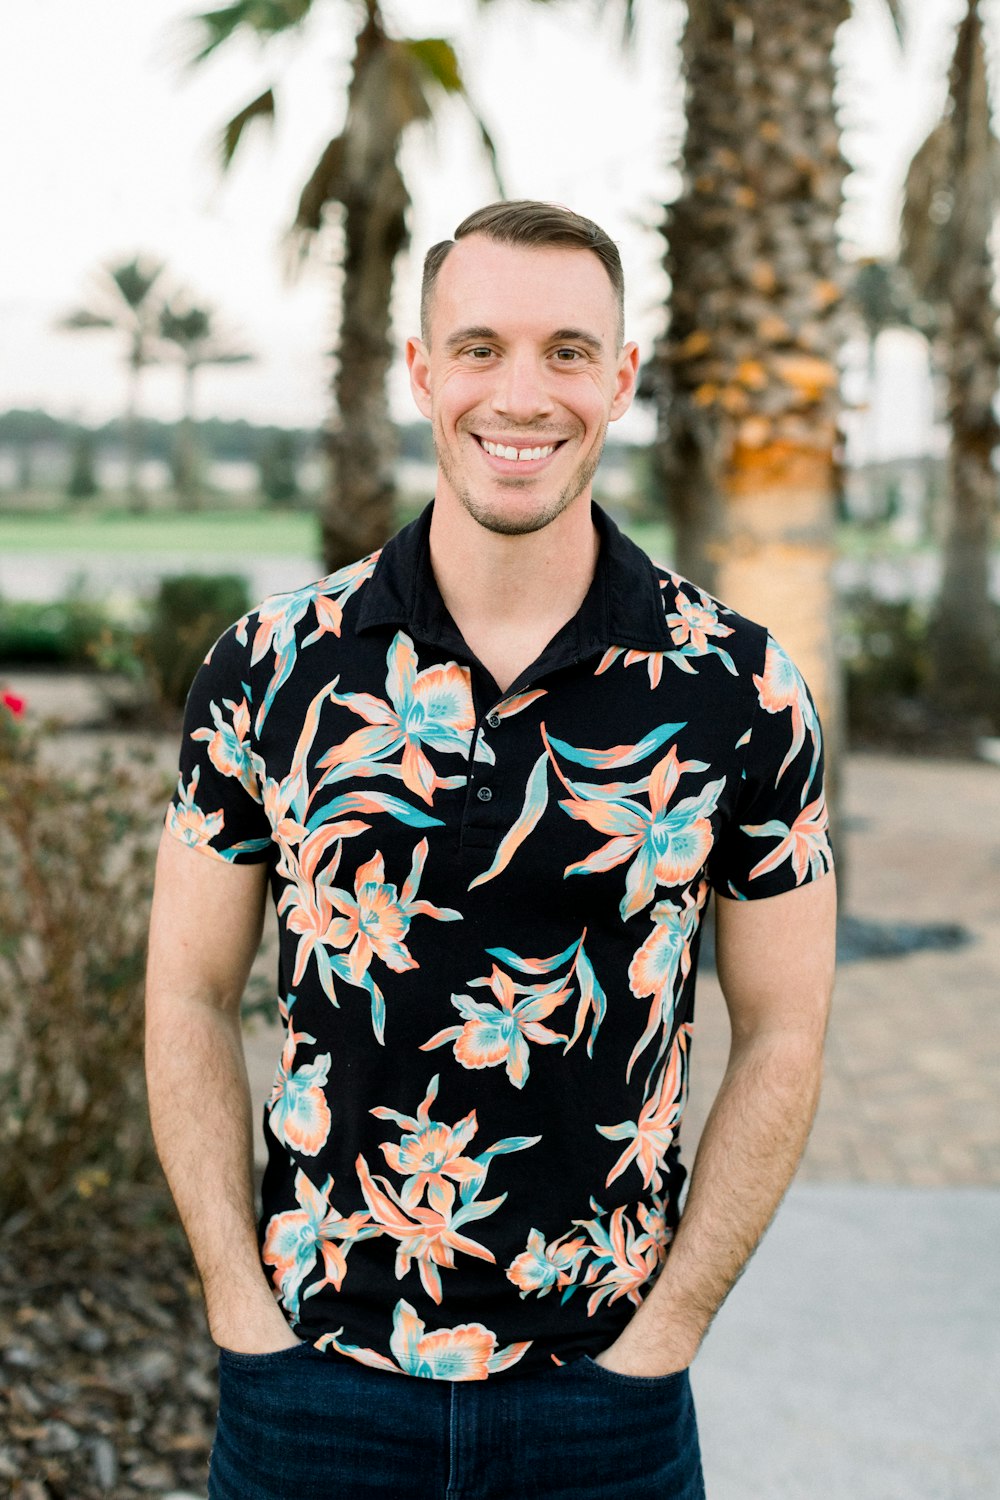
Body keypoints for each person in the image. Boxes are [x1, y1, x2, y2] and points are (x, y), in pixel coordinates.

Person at [145, 201, 836, 1500]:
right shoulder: (273, 668)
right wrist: (237, 1306)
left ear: (623, 379)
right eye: (480, 348)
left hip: (605, 1403)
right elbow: (183, 992)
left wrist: (668, 1333)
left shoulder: (738, 687)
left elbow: (787, 1028)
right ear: (421, 369)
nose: (522, 393)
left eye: (569, 351)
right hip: (312, 1388)